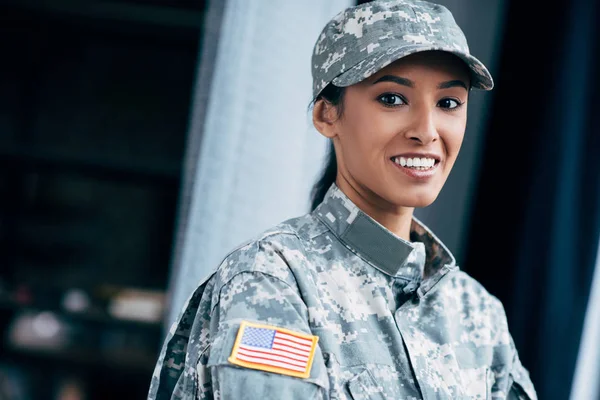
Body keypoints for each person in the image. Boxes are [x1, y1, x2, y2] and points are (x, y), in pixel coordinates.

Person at [148, 0, 538, 399]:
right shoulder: (275, 282)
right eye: (392, 99)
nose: (426, 130)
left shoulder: (478, 315)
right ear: (326, 115)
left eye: (448, 103)